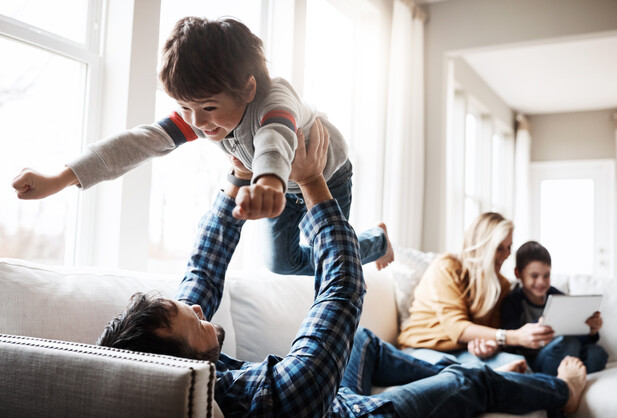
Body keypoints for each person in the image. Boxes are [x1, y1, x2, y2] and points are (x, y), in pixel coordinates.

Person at [99, 127, 587, 417]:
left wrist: (236, 179)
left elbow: (202, 270)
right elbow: (340, 292)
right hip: (354, 414)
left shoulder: (186, 368)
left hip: (336, 392)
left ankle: (485, 368)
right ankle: (562, 392)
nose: (200, 307)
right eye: (193, 321)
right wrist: (313, 183)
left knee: (365, 343)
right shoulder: (274, 396)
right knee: (468, 385)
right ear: (188, 360)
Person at [11, 16, 393, 275]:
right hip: (270, 184)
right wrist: (60, 178)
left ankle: (375, 242)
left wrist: (270, 183)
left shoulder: (275, 99)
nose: (196, 122)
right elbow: (141, 141)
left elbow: (274, 139)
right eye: (185, 108)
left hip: (323, 173)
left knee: (332, 262)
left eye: (207, 107)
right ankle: (375, 240)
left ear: (248, 88)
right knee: (281, 264)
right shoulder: (206, 116)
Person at [398, 212, 555, 370]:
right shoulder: (447, 267)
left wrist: (489, 345)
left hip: (465, 352)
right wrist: (514, 337)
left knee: (520, 365)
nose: (506, 255)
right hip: (424, 348)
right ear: (482, 246)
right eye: (499, 248)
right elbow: (457, 328)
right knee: (456, 372)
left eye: (509, 247)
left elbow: (493, 330)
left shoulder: (502, 285)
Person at [501, 240, 609, 375]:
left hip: (565, 349)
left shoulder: (558, 297)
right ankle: (557, 376)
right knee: (568, 344)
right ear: (518, 274)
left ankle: (565, 371)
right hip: (535, 358)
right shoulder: (512, 301)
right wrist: (540, 325)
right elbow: (512, 342)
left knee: (596, 353)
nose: (541, 281)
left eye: (546, 275)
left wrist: (590, 330)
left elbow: (577, 337)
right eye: (534, 276)